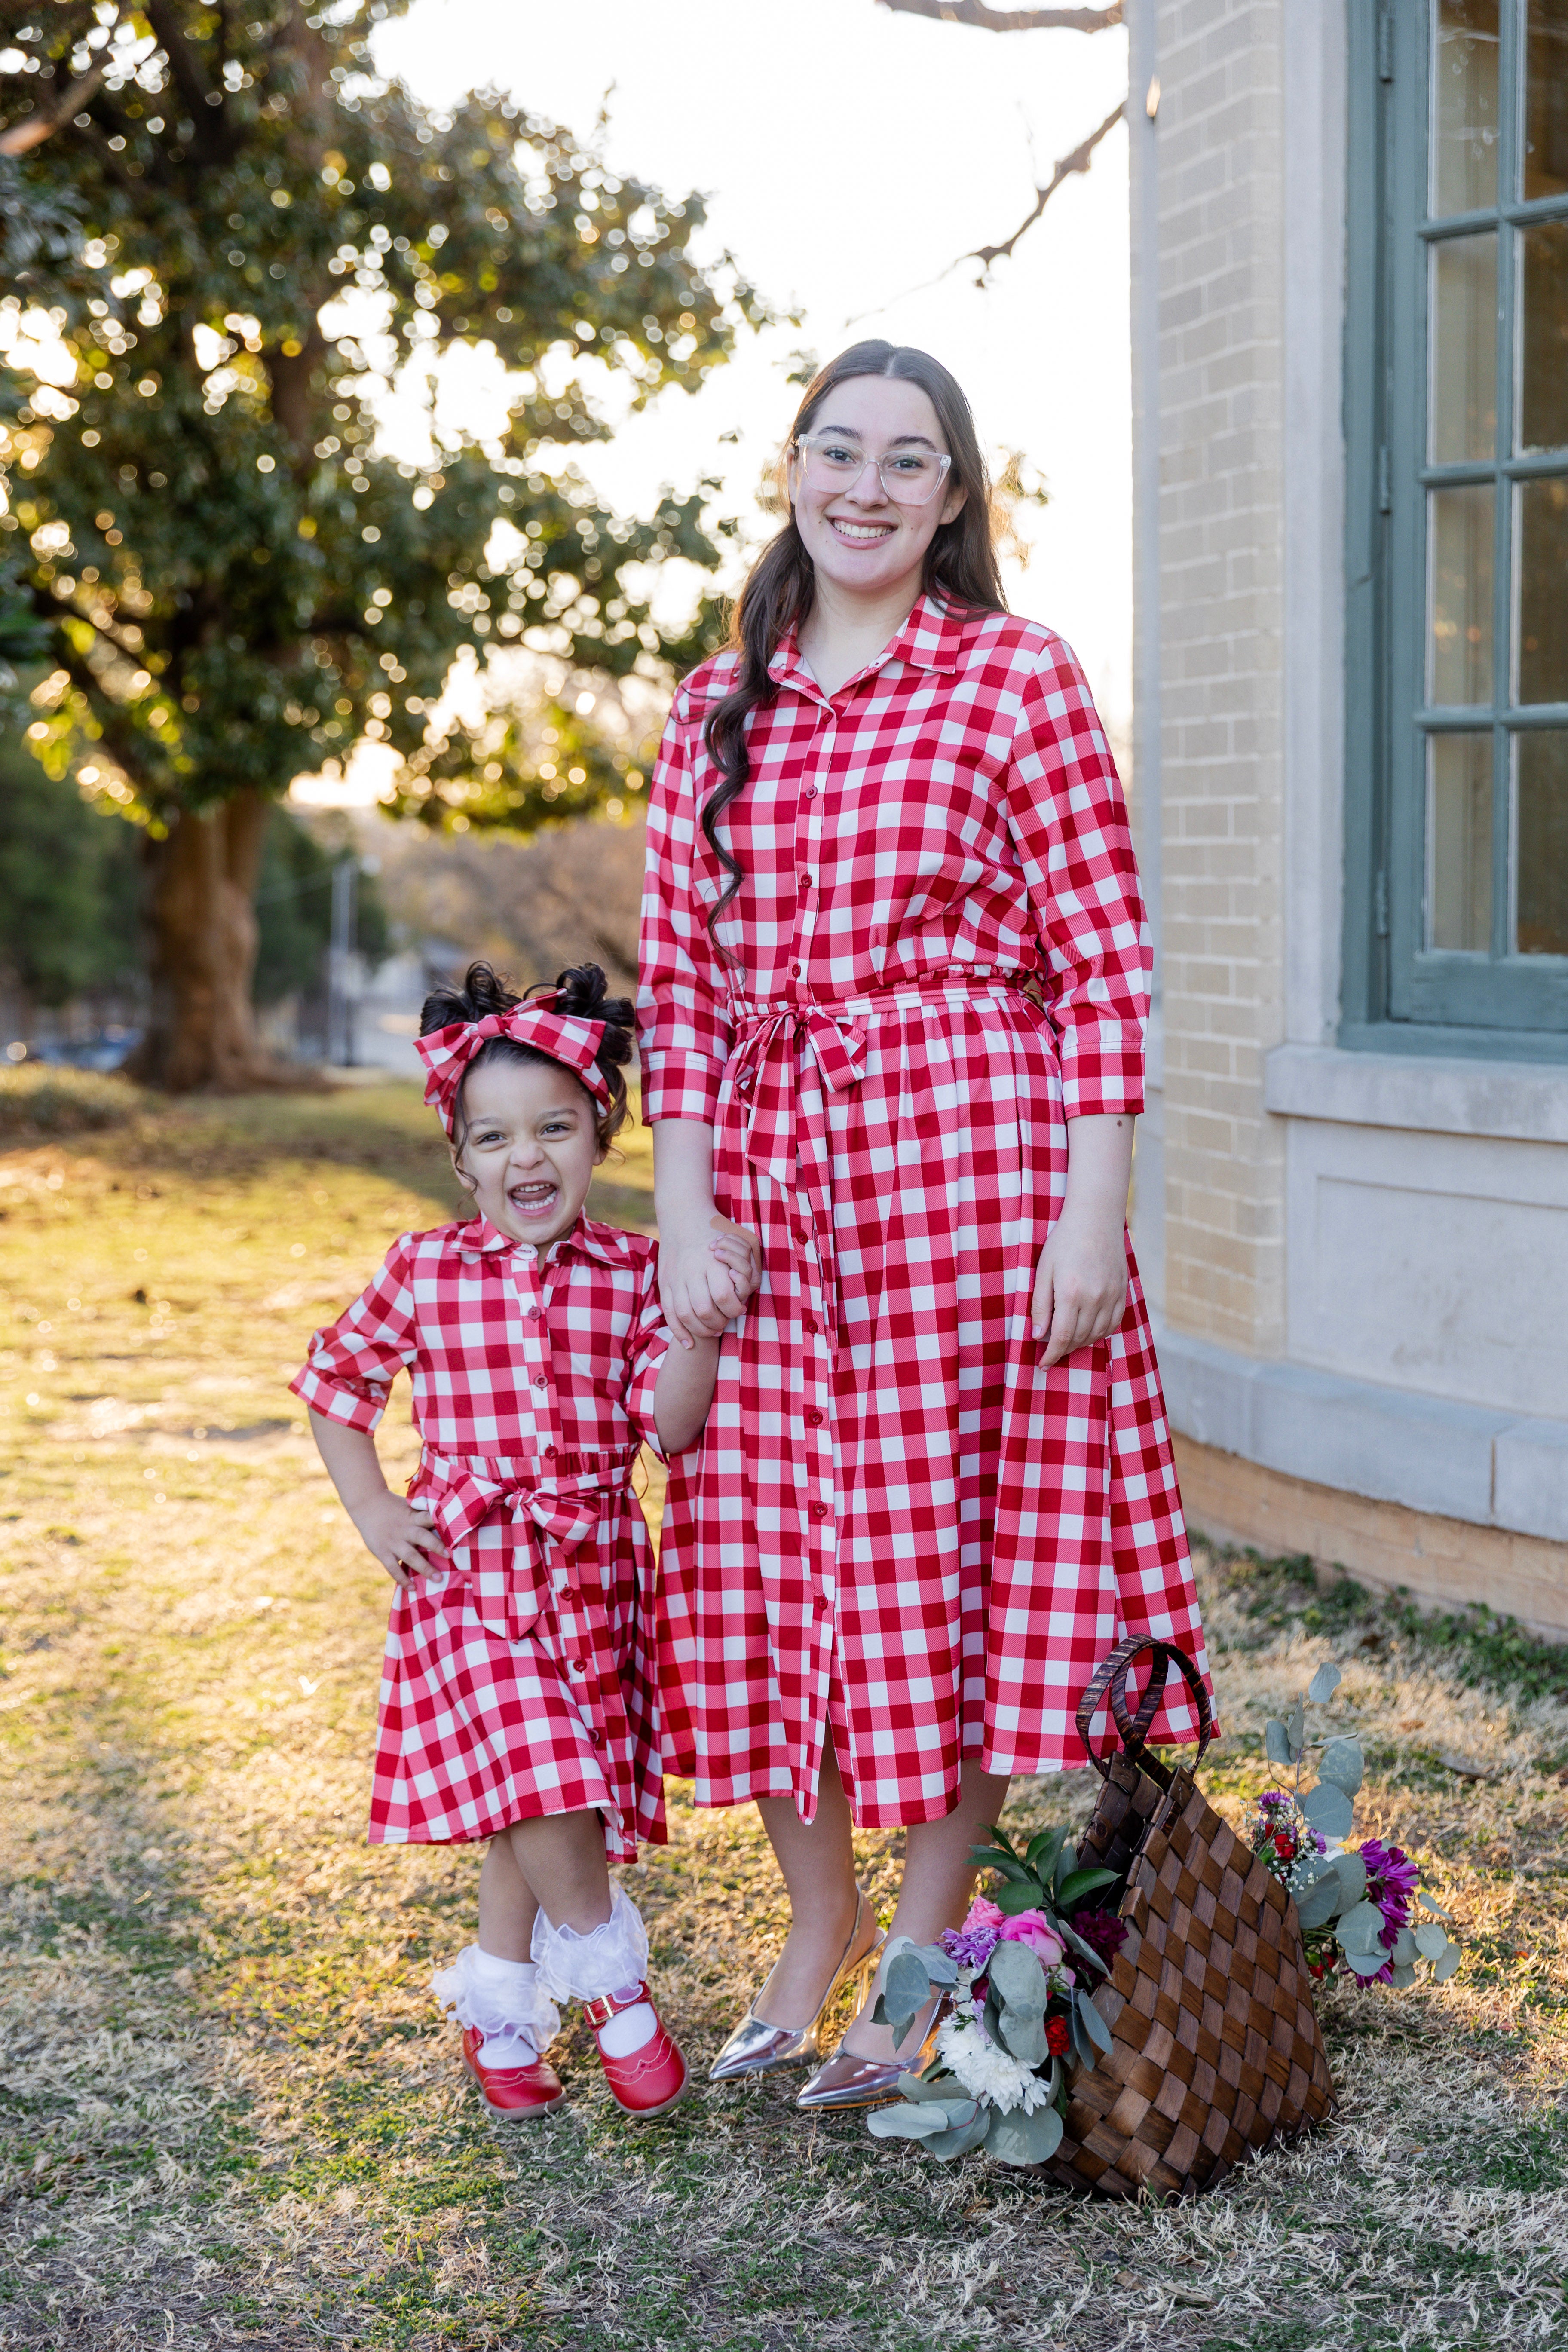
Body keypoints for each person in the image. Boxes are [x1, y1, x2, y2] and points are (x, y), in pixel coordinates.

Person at [639, 340, 1214, 2110]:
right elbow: (675, 987)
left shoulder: (1016, 678)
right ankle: (806, 1934)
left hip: (969, 1171)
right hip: (773, 1195)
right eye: (839, 452)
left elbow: (1105, 964)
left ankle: (912, 1954)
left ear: (955, 499)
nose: (868, 489)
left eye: (909, 462)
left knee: (939, 1573)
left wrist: (1088, 1210)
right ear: (793, 471)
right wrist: (683, 1220)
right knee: (753, 1559)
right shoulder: (713, 708)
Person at [291, 962, 756, 2122]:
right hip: (470, 1572)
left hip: (593, 1572)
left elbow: (672, 1423)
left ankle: (497, 2018)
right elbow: (334, 1385)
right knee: (542, 1770)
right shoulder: (426, 1269)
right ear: (461, 1162)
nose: (526, 1159)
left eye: (555, 1127)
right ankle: (615, 1984)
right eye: (494, 1138)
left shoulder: (636, 1270)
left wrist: (698, 1321)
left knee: (540, 1801)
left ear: (602, 1132)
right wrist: (375, 1512)